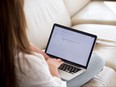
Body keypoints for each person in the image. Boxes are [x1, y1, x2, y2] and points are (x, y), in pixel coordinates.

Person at [0, 0, 104, 87]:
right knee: (97, 60)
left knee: (88, 59)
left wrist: (46, 56)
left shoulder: (7, 43)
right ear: (17, 17)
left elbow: (19, 42)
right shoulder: (27, 64)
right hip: (51, 76)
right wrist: (52, 68)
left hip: (43, 67)